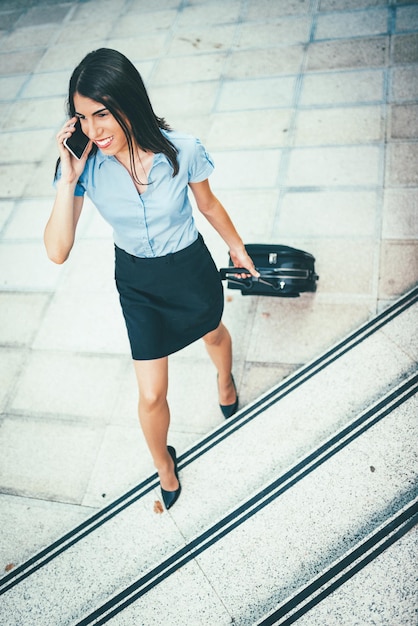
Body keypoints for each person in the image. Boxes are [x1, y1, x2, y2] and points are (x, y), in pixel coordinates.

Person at [44, 48, 258, 510]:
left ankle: (224, 382)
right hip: (138, 282)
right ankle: (164, 463)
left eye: (102, 114)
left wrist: (236, 247)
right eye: (81, 118)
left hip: (188, 267)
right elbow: (58, 251)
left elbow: (209, 205)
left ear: (128, 103)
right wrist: (66, 179)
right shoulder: (85, 169)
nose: (93, 130)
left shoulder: (182, 149)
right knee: (150, 393)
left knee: (214, 333)